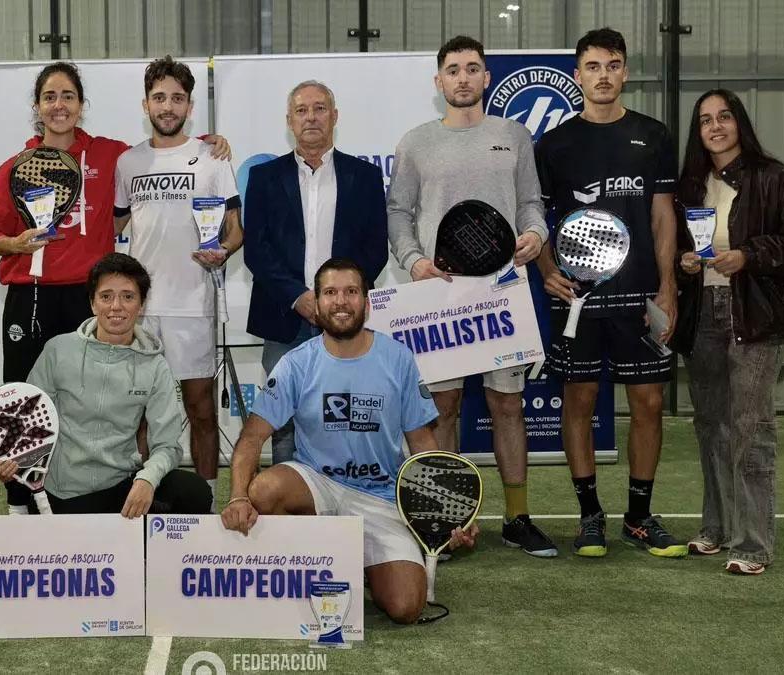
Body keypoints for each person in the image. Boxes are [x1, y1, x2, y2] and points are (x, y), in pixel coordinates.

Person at [0, 62, 230, 515]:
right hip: (30, 297)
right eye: (50, 97)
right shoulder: (12, 168)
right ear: (37, 106)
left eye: (68, 96)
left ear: (82, 105)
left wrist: (209, 143)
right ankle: (20, 511)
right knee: (26, 406)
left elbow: (165, 149)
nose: (59, 105)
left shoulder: (111, 155)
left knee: (98, 408)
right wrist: (15, 244)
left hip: (87, 297)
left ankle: (103, 494)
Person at [221, 258, 478, 625]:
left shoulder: (398, 359)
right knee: (264, 490)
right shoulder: (297, 363)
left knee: (407, 607)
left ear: (367, 302)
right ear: (316, 303)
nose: (341, 301)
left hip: (381, 495)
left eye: (351, 292)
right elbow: (251, 439)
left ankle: (360, 563)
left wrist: (445, 513)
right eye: (330, 292)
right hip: (318, 485)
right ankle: (322, 559)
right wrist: (238, 496)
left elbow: (422, 443)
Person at [386, 35, 554, 557]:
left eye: (472, 68)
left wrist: (535, 234)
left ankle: (517, 518)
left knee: (508, 404)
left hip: (502, 290)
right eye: (453, 70)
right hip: (440, 294)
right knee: (443, 407)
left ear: (486, 77)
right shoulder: (416, 142)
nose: (463, 78)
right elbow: (398, 211)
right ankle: (448, 523)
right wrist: (414, 261)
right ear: (439, 81)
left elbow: (530, 203)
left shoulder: (514, 135)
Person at [534, 28, 685, 558]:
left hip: (640, 296)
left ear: (625, 72)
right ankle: (590, 517)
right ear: (578, 76)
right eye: (594, 66)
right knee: (579, 400)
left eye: (613, 65)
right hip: (578, 299)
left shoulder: (653, 135)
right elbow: (535, 217)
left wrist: (668, 286)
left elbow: (663, 215)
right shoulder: (553, 144)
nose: (604, 75)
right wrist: (547, 268)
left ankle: (638, 518)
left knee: (649, 402)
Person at [672, 89, 784, 575]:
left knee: (751, 429)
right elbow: (682, 247)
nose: (715, 127)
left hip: (754, 315)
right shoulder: (692, 186)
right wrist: (686, 262)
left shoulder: (776, 178)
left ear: (740, 123)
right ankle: (717, 527)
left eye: (724, 117)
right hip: (703, 315)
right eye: (705, 120)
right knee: (711, 426)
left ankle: (752, 544)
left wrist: (747, 256)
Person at [114, 56, 244, 511]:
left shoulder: (213, 157)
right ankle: (139, 503)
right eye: (159, 98)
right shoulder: (128, 161)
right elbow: (116, 227)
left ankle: (204, 506)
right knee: (138, 414)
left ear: (189, 106)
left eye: (176, 98)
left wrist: (223, 251)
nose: (167, 106)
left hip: (192, 304)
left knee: (201, 410)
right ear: (145, 104)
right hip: (141, 310)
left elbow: (235, 229)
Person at [0, 253, 212, 516]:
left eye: (128, 297)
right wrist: (13, 461)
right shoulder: (58, 350)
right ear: (93, 303)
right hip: (58, 493)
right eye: (106, 296)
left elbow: (168, 446)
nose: (116, 306)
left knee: (193, 492)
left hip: (119, 490)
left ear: (141, 305)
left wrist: (147, 479)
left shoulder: (155, 365)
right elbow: (26, 424)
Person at [244, 79, 388, 465]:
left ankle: (346, 493)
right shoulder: (264, 178)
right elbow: (257, 250)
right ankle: (287, 498)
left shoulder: (365, 176)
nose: (311, 117)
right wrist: (299, 297)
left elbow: (375, 248)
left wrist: (337, 299)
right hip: (283, 317)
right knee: (283, 421)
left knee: (348, 416)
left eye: (320, 108)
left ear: (335, 116)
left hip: (344, 317)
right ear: (289, 120)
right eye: (302, 110)